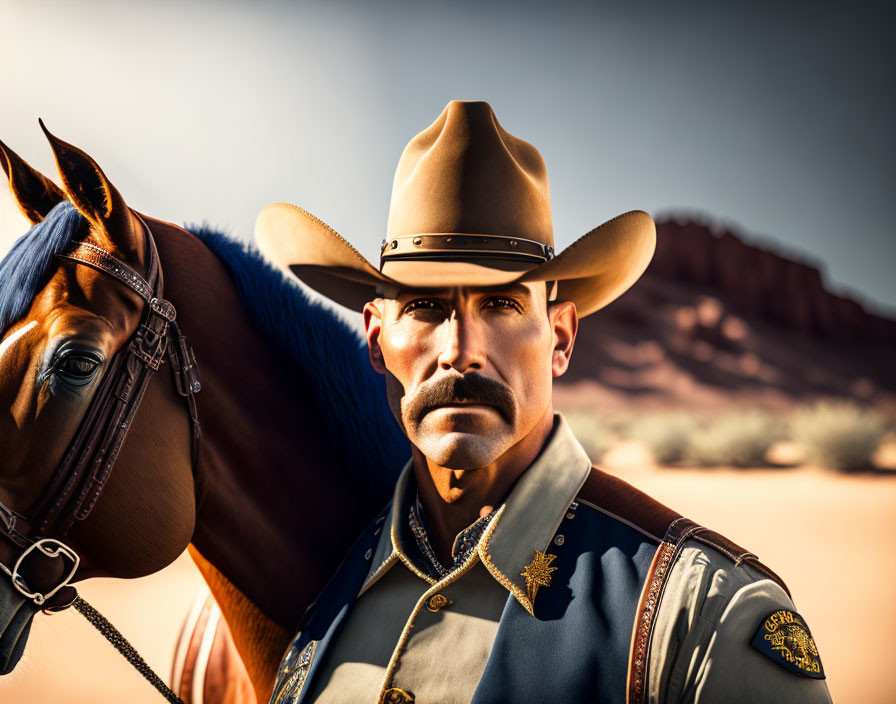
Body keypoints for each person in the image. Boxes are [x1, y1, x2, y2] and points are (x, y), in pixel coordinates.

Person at [255, 100, 832, 704]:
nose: (460, 351)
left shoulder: (704, 623)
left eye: (501, 304)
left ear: (560, 338)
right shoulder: (327, 588)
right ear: (377, 339)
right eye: (424, 306)